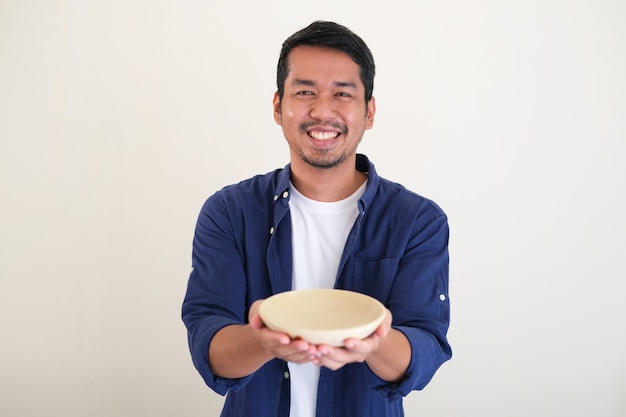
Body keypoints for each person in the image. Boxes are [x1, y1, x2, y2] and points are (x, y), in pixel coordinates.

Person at [182, 20, 451, 417]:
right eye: (305, 91)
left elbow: (423, 352)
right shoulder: (229, 212)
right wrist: (263, 343)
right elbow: (209, 346)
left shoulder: (417, 221)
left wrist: (376, 343)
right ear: (278, 106)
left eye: (343, 94)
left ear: (369, 111)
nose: (323, 111)